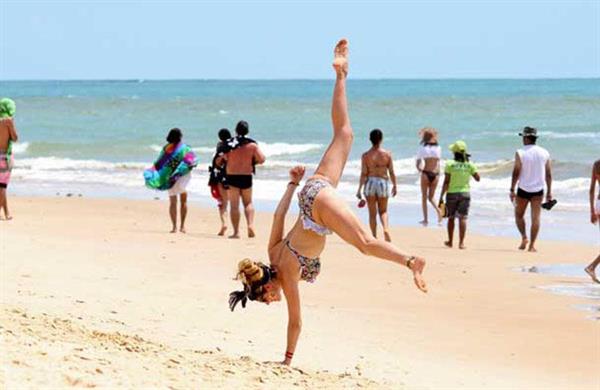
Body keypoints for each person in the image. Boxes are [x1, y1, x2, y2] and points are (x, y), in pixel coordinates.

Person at [228, 39, 427, 367]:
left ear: (265, 287)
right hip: (311, 192)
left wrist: (287, 360)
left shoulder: (287, 274)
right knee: (345, 134)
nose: (272, 301)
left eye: (266, 299)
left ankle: (411, 261)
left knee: (364, 244)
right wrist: (293, 184)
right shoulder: (272, 252)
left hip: (317, 207)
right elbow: (278, 214)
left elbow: (296, 322)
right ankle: (341, 74)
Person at [144, 128, 198, 233]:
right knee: (183, 199)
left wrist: (154, 171)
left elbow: (159, 163)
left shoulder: (167, 148)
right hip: (182, 175)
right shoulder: (186, 148)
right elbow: (192, 161)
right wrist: (181, 169)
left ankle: (174, 227)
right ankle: (182, 226)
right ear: (180, 136)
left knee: (173, 202)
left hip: (169, 177)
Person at [509, 126, 552, 252]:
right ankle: (532, 245)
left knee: (518, 215)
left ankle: (524, 237)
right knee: (536, 218)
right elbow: (548, 174)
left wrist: (512, 189)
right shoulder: (545, 152)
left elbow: (516, 172)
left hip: (523, 190)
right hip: (538, 190)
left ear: (526, 138)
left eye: (523, 137)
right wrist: (549, 191)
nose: (522, 139)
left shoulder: (520, 152)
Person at [221, 120, 266, 239]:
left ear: (236, 131)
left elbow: (223, 158)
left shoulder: (229, 144)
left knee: (234, 205)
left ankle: (236, 232)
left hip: (232, 176)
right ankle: (250, 225)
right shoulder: (252, 145)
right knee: (248, 202)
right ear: (247, 131)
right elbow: (262, 159)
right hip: (246, 175)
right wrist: (252, 161)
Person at [356, 128, 397, 242]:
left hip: (370, 183)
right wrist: (395, 185)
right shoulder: (387, 155)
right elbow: (392, 172)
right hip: (383, 182)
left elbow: (364, 173)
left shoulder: (365, 156)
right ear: (381, 139)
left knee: (372, 213)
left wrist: (359, 189)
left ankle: (374, 237)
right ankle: (386, 229)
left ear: (370, 139)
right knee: (383, 211)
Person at [438, 141, 480, 249]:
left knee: (451, 218)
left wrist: (441, 195)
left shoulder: (450, 164)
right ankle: (461, 243)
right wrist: (469, 167)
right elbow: (478, 178)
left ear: (454, 153)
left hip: (451, 193)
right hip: (465, 193)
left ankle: (450, 242)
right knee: (463, 218)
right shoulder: (469, 164)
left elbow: (446, 182)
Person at [415, 127, 442, 225]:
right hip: (436, 174)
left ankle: (425, 219)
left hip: (426, 173)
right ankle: (438, 210)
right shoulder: (438, 148)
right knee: (431, 197)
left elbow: (418, 162)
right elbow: (438, 162)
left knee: (424, 197)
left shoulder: (422, 148)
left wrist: (419, 169)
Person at [208, 128, 232, 236]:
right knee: (233, 203)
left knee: (223, 203)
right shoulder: (234, 146)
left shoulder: (220, 147)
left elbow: (216, 163)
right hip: (232, 177)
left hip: (220, 177)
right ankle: (235, 228)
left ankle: (224, 223)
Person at [0, 98, 19, 221]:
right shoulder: (8, 121)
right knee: (2, 186)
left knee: (1, 187)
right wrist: (11, 124)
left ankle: (7, 213)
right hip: (4, 158)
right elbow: (15, 138)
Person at [584, 159, 600, 283]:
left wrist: (592, 211)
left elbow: (591, 190)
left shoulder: (596, 164)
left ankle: (592, 267)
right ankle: (592, 267)